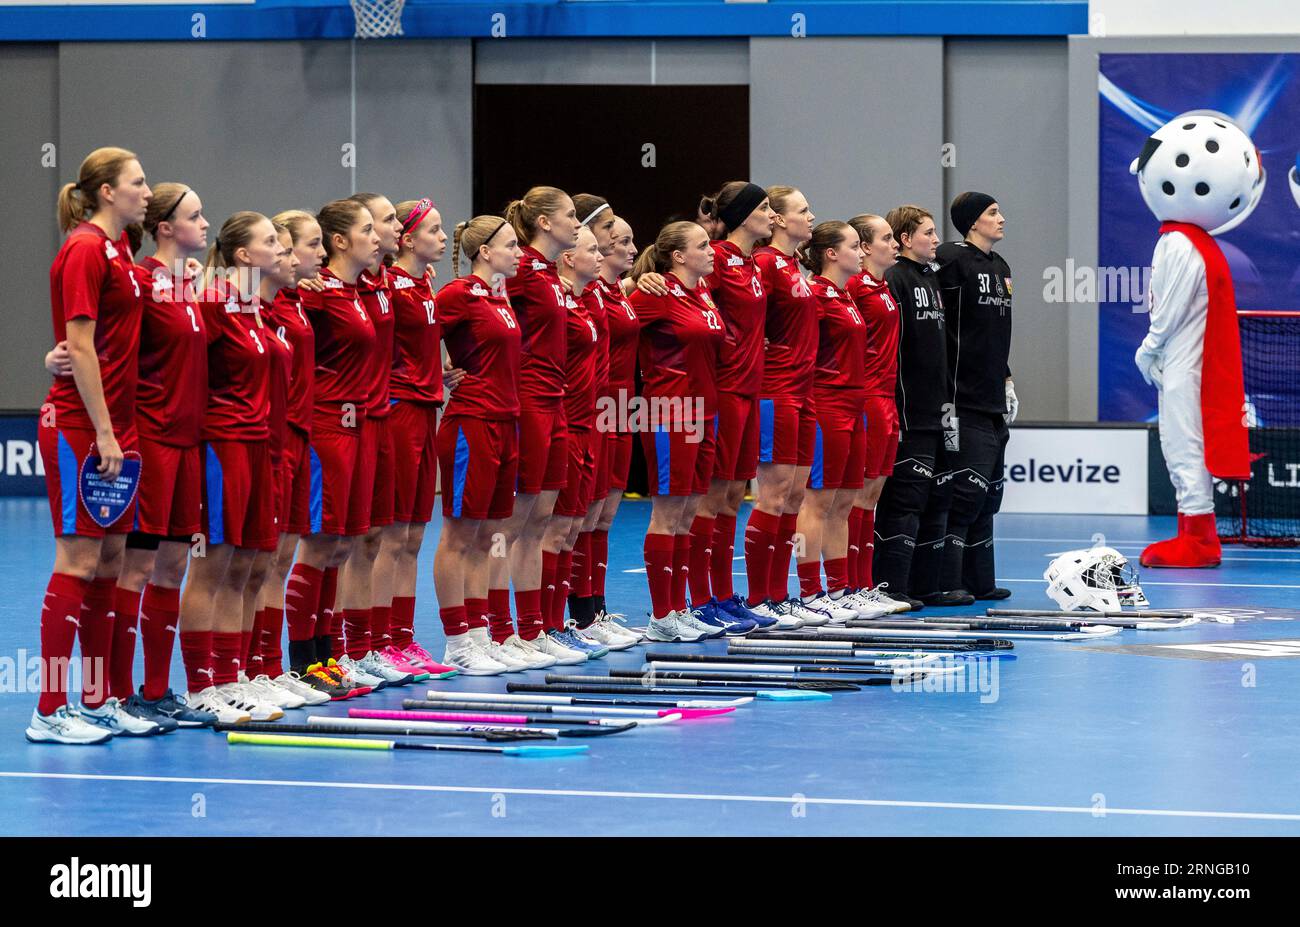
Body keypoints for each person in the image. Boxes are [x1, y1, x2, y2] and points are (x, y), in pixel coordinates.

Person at [30, 147, 161, 743]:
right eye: (137, 182)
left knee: (110, 559)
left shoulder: (120, 250)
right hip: (85, 426)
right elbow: (78, 346)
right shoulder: (84, 247)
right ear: (107, 191)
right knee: (78, 560)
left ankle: (99, 696)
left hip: (119, 424)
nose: (146, 190)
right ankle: (49, 709)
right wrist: (105, 430)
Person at [435, 216, 551, 672]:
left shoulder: (500, 297)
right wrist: (436, 375)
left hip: (506, 422)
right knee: (460, 534)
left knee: (488, 535)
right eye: (510, 245)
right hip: (471, 422)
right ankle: (457, 641)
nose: (519, 253)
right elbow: (409, 341)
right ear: (485, 251)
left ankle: (480, 633)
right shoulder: (456, 294)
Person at [289, 198, 382, 698]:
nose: (376, 236)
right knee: (320, 542)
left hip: (358, 428)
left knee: (342, 544)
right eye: (368, 228)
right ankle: (302, 659)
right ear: (339, 241)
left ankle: (327, 653)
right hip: (326, 427)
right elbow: (260, 307)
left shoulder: (358, 291)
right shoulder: (318, 293)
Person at [499, 187, 586, 665]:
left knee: (539, 525)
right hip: (529, 402)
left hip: (557, 403)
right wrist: (465, 361)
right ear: (546, 224)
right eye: (571, 216)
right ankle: (496, 632)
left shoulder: (551, 275)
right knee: (513, 524)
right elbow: (477, 305)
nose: (577, 223)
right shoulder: (523, 270)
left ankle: (531, 631)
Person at [628, 221, 727, 643]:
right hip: (670, 410)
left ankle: (679, 608)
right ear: (678, 256)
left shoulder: (700, 291)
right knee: (668, 513)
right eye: (703, 245)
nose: (711, 251)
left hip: (705, 411)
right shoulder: (657, 294)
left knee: (689, 512)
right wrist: (632, 279)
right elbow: (614, 314)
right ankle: (661, 616)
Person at [875, 205, 970, 608]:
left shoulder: (931, 278)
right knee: (905, 501)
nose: (936, 240)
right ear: (904, 239)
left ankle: (927, 585)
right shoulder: (895, 279)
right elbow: (893, 352)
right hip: (910, 412)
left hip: (940, 409)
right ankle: (891, 586)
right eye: (928, 233)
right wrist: (899, 411)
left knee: (940, 496)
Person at [384, 198, 458, 674]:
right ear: (407, 240)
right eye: (434, 229)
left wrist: (440, 367)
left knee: (412, 536)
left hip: (424, 409)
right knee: (386, 538)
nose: (444, 237)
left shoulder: (425, 284)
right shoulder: (389, 285)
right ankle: (373, 643)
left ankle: (402, 639)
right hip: (395, 413)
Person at [935, 193, 1015, 599]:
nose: (1001, 219)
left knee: (989, 496)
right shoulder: (952, 258)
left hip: (992, 399)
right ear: (971, 222)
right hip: (960, 401)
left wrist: (1007, 378)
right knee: (965, 492)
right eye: (992, 213)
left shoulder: (1000, 267)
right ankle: (947, 582)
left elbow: (997, 335)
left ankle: (980, 581)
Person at [749, 186, 821, 629]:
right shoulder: (764, 264)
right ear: (777, 219)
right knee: (773, 495)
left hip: (804, 389)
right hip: (776, 390)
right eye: (803, 210)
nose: (811, 216)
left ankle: (778, 595)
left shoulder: (795, 265)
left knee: (794, 495)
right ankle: (759, 598)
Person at [794, 221, 871, 623]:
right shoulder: (815, 295)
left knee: (843, 502)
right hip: (826, 405)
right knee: (817, 501)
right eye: (855, 246)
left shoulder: (845, 296)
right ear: (831, 253)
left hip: (854, 406)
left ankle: (839, 588)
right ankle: (809, 592)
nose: (862, 253)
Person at [845, 214, 912, 615]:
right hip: (864, 399)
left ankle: (864, 584)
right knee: (854, 498)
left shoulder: (882, 287)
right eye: (887, 238)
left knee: (871, 499)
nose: (894, 244)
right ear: (866, 248)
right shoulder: (853, 286)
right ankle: (848, 586)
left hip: (886, 399)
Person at [586, 214, 643, 643]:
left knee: (604, 516)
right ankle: (579, 614)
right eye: (621, 240)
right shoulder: (587, 292)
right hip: (591, 408)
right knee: (579, 519)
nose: (631, 247)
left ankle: (597, 611)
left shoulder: (618, 291)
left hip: (621, 408)